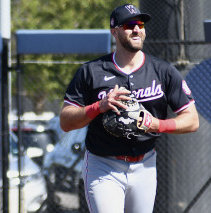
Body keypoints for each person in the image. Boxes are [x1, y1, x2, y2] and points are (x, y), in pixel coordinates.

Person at [60, 3, 199, 213]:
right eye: (129, 25)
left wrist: (157, 124)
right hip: (103, 165)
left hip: (145, 164)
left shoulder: (163, 70)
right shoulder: (91, 71)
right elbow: (66, 121)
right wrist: (99, 106)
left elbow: (191, 120)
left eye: (140, 24)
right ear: (114, 31)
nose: (137, 29)